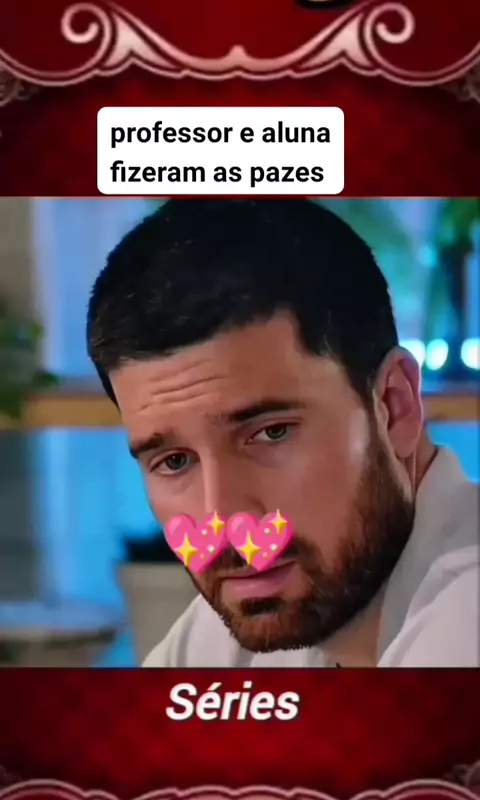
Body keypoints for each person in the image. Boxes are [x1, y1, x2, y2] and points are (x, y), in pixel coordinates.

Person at [87, 199, 479, 668]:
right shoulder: (244, 623)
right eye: (174, 461)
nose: (223, 522)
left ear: (395, 407)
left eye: (271, 433)